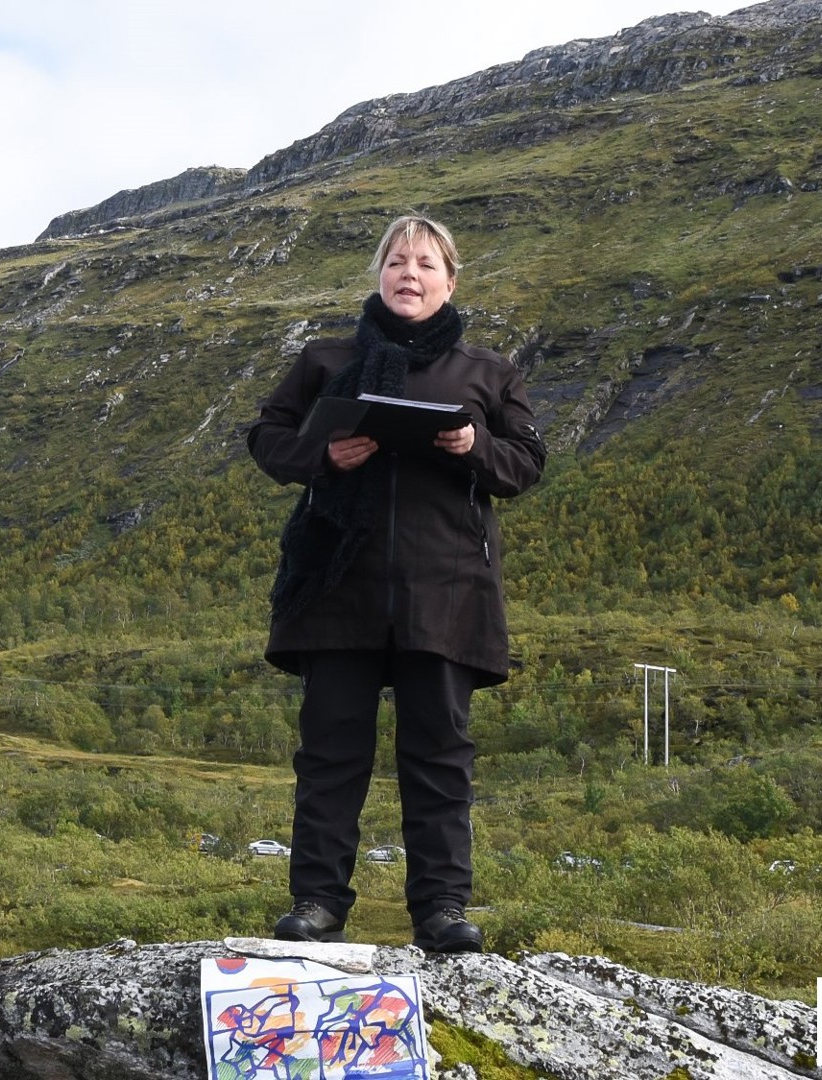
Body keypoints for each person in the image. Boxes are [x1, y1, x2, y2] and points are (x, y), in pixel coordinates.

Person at [247, 213, 546, 952]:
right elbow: (266, 437)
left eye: (425, 263)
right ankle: (317, 902)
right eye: (397, 261)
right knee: (329, 752)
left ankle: (441, 909)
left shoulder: (488, 373)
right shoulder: (326, 359)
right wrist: (325, 455)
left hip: (445, 593)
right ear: (379, 274)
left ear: (450, 281)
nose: (409, 274)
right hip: (338, 587)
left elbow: (527, 464)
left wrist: (475, 444)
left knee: (439, 754)